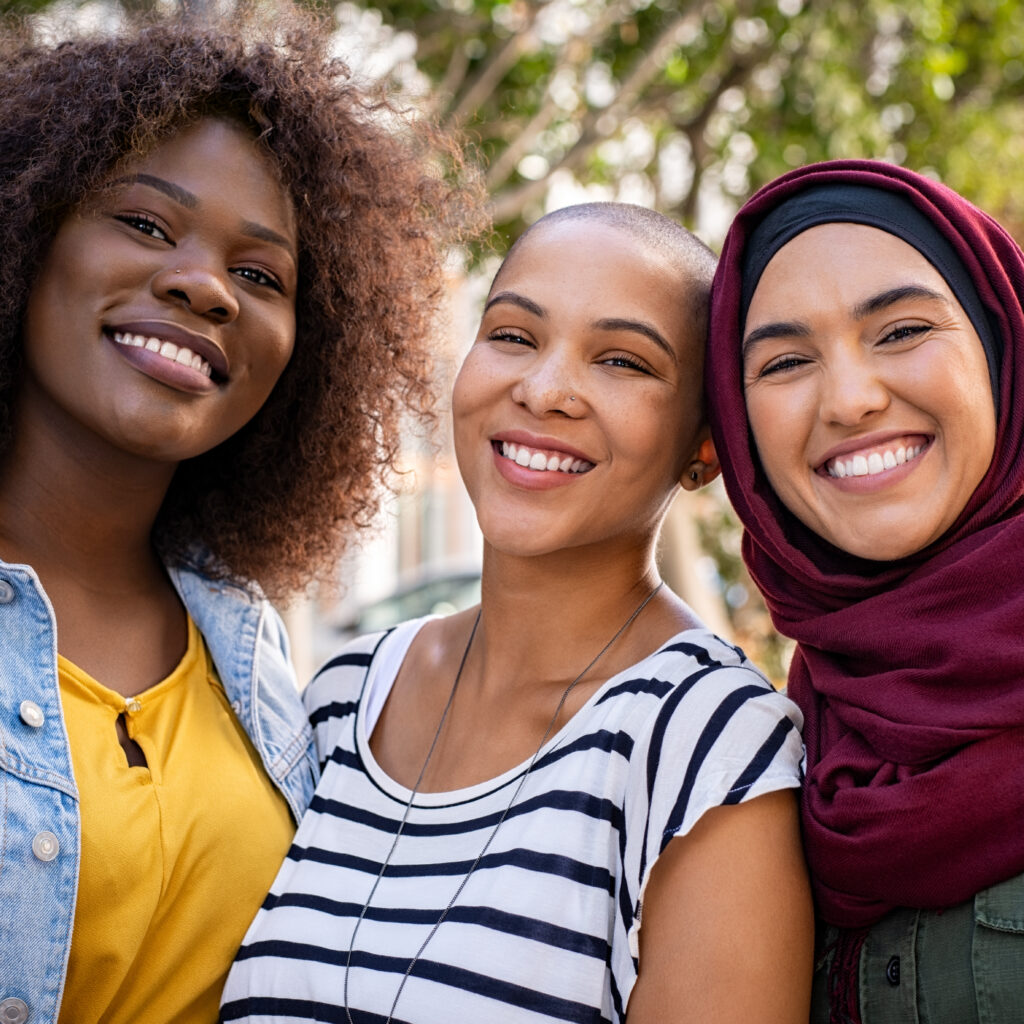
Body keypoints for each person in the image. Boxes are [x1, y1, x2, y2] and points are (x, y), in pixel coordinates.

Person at [220, 202, 812, 1024]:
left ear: (705, 448)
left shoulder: (708, 743)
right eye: (512, 335)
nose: (543, 390)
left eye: (622, 361)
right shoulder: (344, 694)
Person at [0, 7, 477, 1023]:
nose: (202, 284)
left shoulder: (244, 646)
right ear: (28, 233)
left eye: (260, 276)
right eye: (143, 223)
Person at [706, 159, 1024, 1023]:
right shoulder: (768, 744)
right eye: (784, 362)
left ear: (1003, 349)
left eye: (900, 331)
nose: (849, 400)